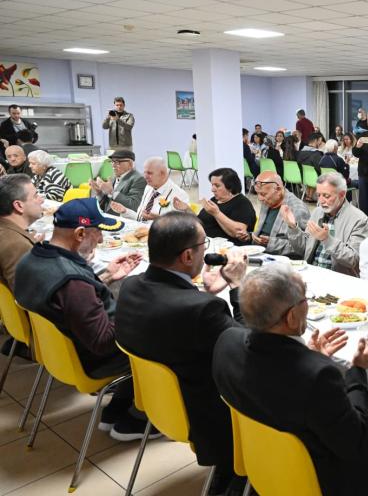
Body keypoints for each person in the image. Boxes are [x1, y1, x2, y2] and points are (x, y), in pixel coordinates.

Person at [213, 264, 368, 496]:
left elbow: (276, 380)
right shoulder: (317, 376)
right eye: (304, 298)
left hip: (262, 462)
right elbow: (355, 442)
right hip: (319, 478)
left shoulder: (226, 342)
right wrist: (357, 370)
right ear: (292, 317)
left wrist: (309, 357)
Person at [116, 213, 248, 494]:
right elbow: (249, 350)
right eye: (203, 246)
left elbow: (179, 326)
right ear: (188, 255)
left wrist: (205, 292)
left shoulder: (130, 286)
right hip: (206, 415)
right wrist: (237, 287)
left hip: (157, 403)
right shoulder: (201, 310)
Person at [14, 199, 143, 437]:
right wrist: (138, 309)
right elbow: (103, 342)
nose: (101, 240)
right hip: (96, 359)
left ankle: (119, 405)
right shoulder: (72, 282)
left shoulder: (31, 260)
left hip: (57, 353)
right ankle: (139, 418)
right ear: (80, 233)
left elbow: (70, 302)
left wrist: (106, 276)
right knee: (169, 333)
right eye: (98, 233)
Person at [282, 172, 368, 276]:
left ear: (342, 194)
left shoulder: (359, 219)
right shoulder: (318, 212)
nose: (321, 201)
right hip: (311, 272)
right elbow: (304, 249)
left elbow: (353, 259)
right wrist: (293, 227)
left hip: (337, 277)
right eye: (318, 195)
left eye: (326, 196)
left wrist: (327, 239)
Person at [172, 168, 256, 246]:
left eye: (217, 186)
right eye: (212, 185)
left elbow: (238, 232)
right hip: (205, 243)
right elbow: (200, 222)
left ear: (230, 187)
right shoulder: (215, 200)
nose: (212, 189)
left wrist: (217, 213)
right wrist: (187, 209)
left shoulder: (242, 203)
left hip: (227, 247)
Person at [245, 171, 309, 257]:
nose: (260, 198)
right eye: (258, 193)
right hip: (261, 254)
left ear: (278, 190)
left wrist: (271, 243)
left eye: (263, 194)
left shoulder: (297, 209)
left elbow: (303, 247)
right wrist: (252, 236)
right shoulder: (268, 201)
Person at [111, 157, 189, 221]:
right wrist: (125, 211)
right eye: (144, 173)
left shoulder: (179, 195)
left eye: (149, 173)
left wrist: (159, 218)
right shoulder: (148, 188)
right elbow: (140, 219)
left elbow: (180, 226)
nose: (145, 177)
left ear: (163, 174)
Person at [0, 174, 43, 290]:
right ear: (19, 205)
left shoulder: (7, 231)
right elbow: (31, 293)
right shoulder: (16, 245)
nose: (41, 200)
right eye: (35, 196)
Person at [90, 150, 147, 216]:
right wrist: (100, 193)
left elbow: (134, 205)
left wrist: (111, 192)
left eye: (117, 162)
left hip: (122, 219)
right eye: (112, 161)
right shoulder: (113, 177)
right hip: (107, 217)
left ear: (130, 164)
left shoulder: (139, 179)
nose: (113, 165)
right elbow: (106, 206)